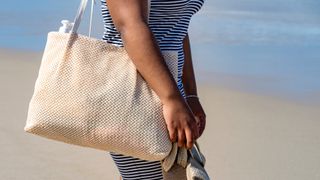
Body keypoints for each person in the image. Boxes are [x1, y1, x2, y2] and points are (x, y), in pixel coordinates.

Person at [100, 0, 206, 179]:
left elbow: (177, 28)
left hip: (167, 95)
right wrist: (172, 99)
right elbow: (130, 24)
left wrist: (190, 95)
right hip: (132, 96)